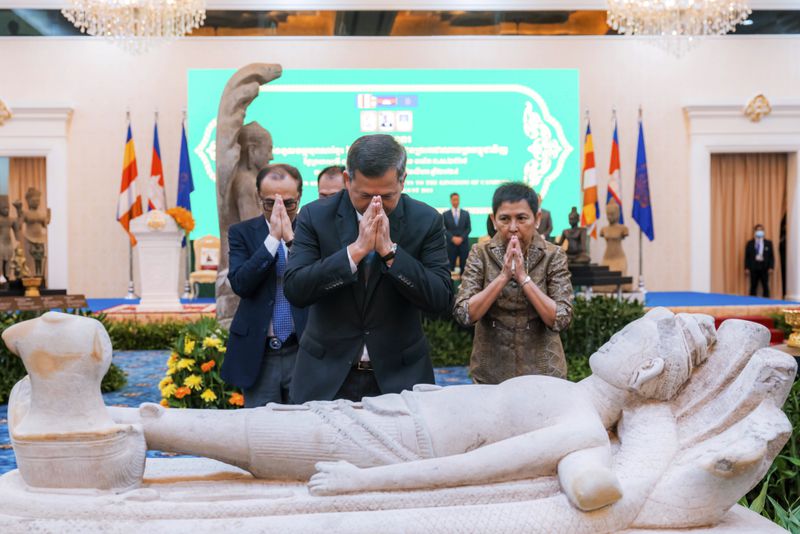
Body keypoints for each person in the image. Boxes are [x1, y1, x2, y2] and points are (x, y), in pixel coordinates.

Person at [107, 309, 716, 515]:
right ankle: (140, 428)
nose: (616, 339)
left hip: (403, 446)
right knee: (271, 430)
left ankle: (138, 431)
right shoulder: (571, 395)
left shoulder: (580, 430)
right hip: (405, 410)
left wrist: (362, 483)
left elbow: (472, 472)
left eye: (632, 338)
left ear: (647, 373)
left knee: (265, 436)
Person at [284, 134, 452, 403]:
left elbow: (440, 299)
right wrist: (355, 252)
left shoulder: (426, 220)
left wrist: (391, 253)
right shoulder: (315, 216)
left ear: (403, 180)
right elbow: (296, 289)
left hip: (401, 378)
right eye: (364, 195)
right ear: (347, 180)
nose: (376, 204)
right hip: (324, 376)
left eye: (387, 196)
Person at [454, 182, 573, 383]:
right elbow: (464, 313)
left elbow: (561, 318)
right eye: (504, 219)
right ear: (493, 220)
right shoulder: (480, 253)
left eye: (521, 218)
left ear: (537, 219)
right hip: (491, 372)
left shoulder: (554, 255)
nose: (513, 228)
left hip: (543, 373)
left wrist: (523, 278)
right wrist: (502, 277)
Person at [221, 164, 308, 407]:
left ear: (299, 198)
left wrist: (290, 242)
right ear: (259, 198)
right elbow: (240, 284)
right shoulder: (242, 232)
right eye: (270, 202)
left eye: (288, 203)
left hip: (302, 348)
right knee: (261, 431)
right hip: (260, 352)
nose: (279, 209)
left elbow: (316, 279)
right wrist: (272, 240)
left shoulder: (312, 232)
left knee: (306, 429)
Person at [442, 192, 471, 273]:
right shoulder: (445, 214)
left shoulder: (465, 213)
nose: (456, 201)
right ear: (451, 201)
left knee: (465, 269)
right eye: (454, 200)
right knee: (449, 269)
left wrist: (461, 238)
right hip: (451, 246)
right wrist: (452, 238)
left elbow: (468, 228)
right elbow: (444, 229)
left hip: (463, 245)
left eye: (457, 200)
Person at [744, 223, 774, 297]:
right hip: (754, 266)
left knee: (765, 285)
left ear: (763, 231)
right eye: (757, 230)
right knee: (753, 285)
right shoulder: (750, 243)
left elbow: (771, 256)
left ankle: (766, 302)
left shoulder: (768, 243)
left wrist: (771, 267)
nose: (759, 231)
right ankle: (752, 302)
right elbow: (747, 257)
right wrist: (746, 267)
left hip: (764, 267)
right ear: (754, 232)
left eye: (761, 230)